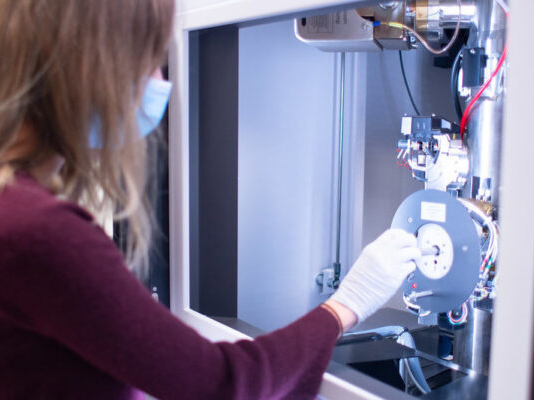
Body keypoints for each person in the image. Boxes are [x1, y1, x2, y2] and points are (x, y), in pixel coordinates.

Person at [0, 1, 421, 399]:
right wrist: (348, 303)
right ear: (90, 68)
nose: (161, 82)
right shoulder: (41, 232)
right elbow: (222, 385)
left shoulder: (17, 207)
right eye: (148, 57)